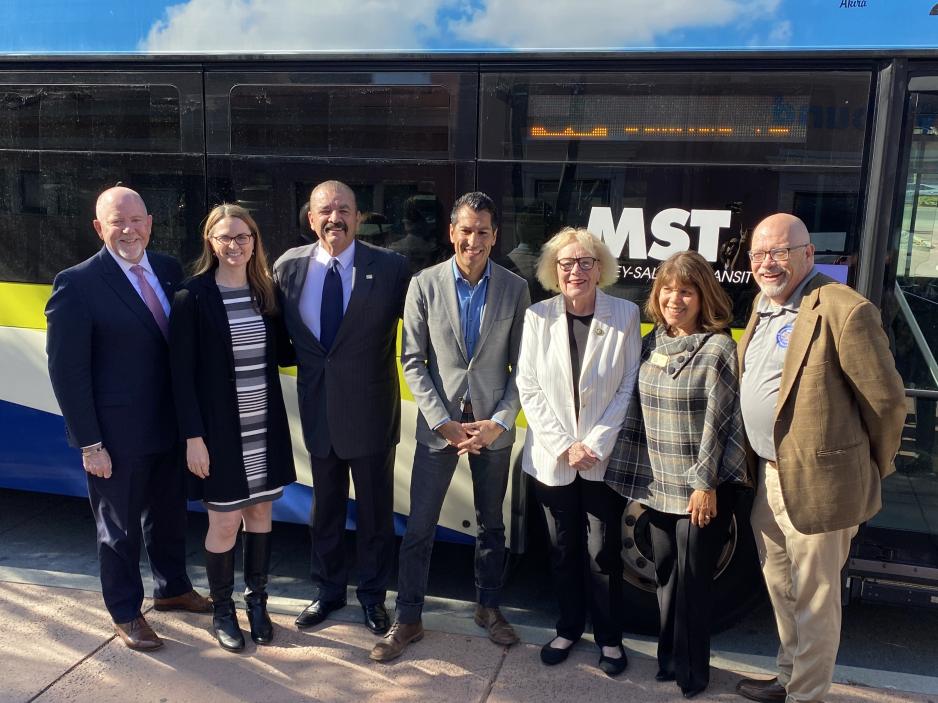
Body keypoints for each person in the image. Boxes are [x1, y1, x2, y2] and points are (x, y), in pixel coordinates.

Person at [734, 214, 905, 703]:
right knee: (781, 585)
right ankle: (789, 676)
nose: (768, 263)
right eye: (759, 254)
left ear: (809, 254)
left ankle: (805, 696)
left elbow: (887, 403)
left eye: (780, 252)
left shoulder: (845, 310)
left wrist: (869, 467)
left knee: (816, 598)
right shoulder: (764, 305)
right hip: (769, 473)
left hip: (820, 481)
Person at [44, 186, 210, 652]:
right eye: (117, 222)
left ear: (150, 222)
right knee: (117, 529)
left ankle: (172, 587)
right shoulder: (76, 284)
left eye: (136, 220)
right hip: (115, 435)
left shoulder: (168, 268)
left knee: (169, 514)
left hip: (169, 425)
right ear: (99, 228)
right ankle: (124, 610)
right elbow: (67, 370)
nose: (128, 230)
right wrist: (89, 443)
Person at [370, 192, 530, 662]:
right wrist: (442, 422)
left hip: (491, 430)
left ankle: (489, 608)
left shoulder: (515, 288)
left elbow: (525, 367)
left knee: (491, 525)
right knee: (419, 525)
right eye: (466, 230)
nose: (473, 240)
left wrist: (499, 423)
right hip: (439, 428)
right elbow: (412, 360)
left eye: (483, 231)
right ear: (452, 233)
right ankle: (409, 617)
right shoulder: (424, 284)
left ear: (495, 236)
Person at [605, 250, 748, 698]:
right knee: (665, 573)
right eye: (667, 289)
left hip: (697, 488)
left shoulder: (718, 348)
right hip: (656, 483)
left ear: (704, 296)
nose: (675, 299)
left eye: (686, 291)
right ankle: (667, 660)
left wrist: (705, 484)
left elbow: (719, 424)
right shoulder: (653, 342)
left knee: (692, 581)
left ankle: (693, 671)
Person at [274, 180, 410, 636]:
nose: (336, 217)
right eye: (325, 210)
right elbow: (278, 339)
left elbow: (423, 332)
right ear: (310, 219)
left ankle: (373, 597)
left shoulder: (390, 268)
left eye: (345, 209)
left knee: (375, 515)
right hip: (318, 412)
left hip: (371, 413)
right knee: (325, 512)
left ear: (359, 217)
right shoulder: (287, 268)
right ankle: (328, 592)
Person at [169, 204, 296, 652]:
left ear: (255, 241)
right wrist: (193, 438)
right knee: (223, 521)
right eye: (226, 237)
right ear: (211, 241)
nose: (236, 245)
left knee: (261, 513)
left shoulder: (266, 293)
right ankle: (222, 611)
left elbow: (284, 353)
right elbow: (180, 377)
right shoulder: (192, 297)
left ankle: (257, 604)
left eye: (244, 237)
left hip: (263, 424)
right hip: (219, 432)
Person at [516, 227, 641, 677]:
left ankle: (609, 639)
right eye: (566, 263)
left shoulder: (625, 314)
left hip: (602, 458)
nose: (576, 270)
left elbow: (629, 384)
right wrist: (565, 445)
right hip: (553, 460)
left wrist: (596, 443)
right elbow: (528, 387)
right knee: (563, 549)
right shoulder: (537, 317)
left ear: (600, 267)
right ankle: (568, 628)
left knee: (604, 552)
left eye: (585, 261)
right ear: (554, 270)